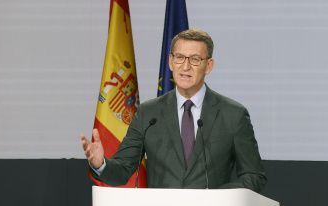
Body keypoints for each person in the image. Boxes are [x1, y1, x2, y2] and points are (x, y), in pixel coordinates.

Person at [81, 29, 266, 192]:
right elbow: (122, 171)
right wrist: (101, 164)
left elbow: (254, 176)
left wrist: (215, 197)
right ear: (170, 61)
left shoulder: (233, 115)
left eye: (195, 59)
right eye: (179, 57)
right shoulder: (148, 113)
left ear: (208, 65)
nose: (185, 66)